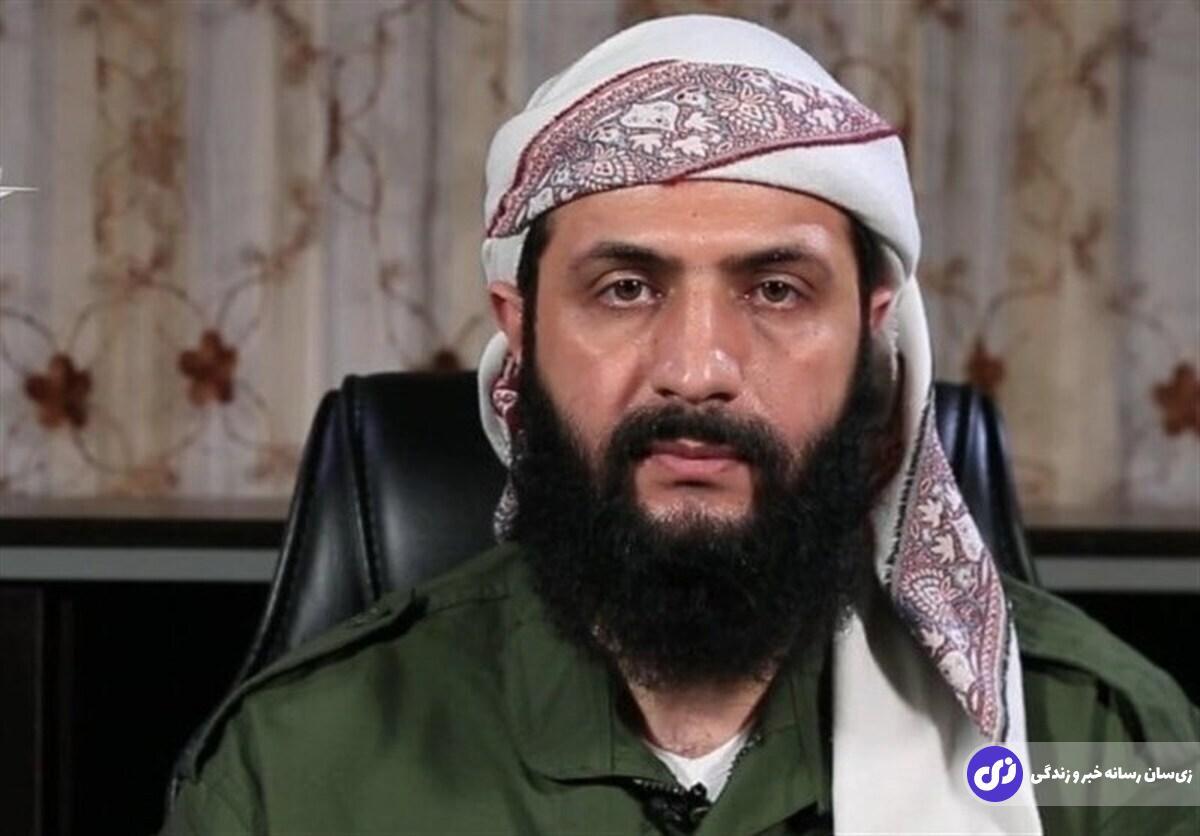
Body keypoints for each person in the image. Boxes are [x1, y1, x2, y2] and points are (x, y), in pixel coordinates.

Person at [162, 15, 1198, 836]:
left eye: (777, 291)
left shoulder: (1103, 745)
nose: (697, 371)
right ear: (519, 330)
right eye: (625, 288)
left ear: (871, 336)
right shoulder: (293, 765)